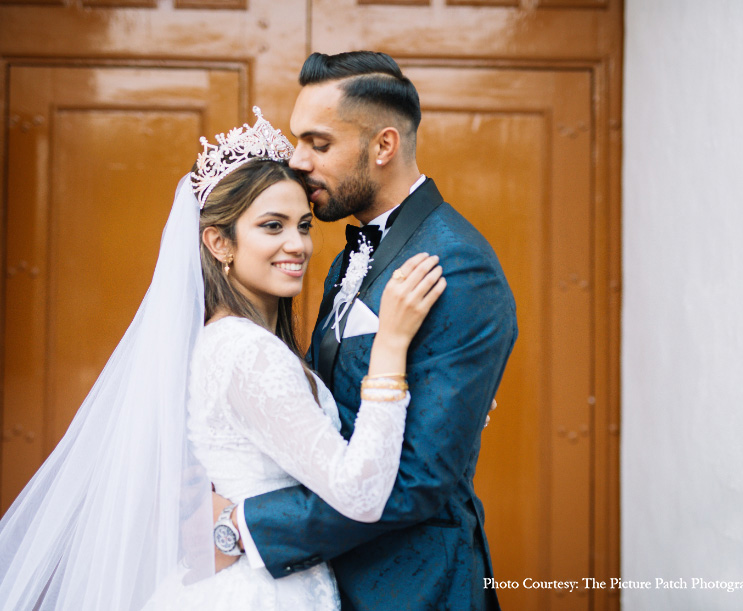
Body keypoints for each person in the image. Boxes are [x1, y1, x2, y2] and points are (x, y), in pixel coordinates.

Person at [0, 107, 443, 611]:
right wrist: (391, 351)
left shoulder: (226, 340)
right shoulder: (246, 352)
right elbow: (358, 493)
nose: (297, 245)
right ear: (219, 242)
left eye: (303, 225)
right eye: (273, 226)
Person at [215, 52, 518, 611]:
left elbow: (419, 481)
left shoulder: (456, 268)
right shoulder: (347, 257)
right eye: (297, 140)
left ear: (383, 146)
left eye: (318, 143)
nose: (297, 161)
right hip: (331, 579)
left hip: (412, 586)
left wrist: (250, 525)